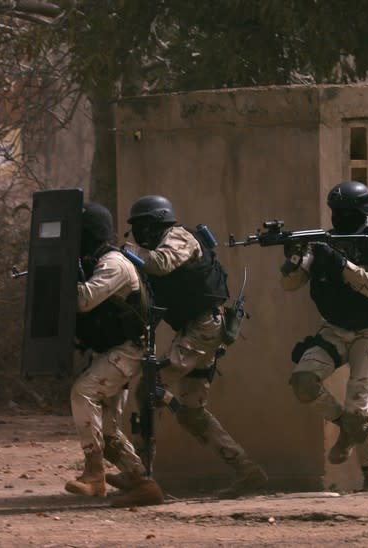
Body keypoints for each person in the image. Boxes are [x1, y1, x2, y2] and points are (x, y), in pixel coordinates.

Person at [123, 195, 268, 499]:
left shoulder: (178, 238)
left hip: (204, 329)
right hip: (198, 330)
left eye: (142, 226)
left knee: (147, 389)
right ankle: (246, 470)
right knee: (191, 413)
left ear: (156, 223)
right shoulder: (157, 248)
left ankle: (141, 477)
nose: (139, 234)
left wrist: (124, 251)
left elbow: (161, 265)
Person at [280, 181, 368, 492]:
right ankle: (344, 426)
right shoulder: (321, 244)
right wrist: (292, 259)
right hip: (335, 328)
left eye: (345, 213)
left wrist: (342, 264)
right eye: (336, 212)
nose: (338, 218)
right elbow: (290, 285)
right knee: (303, 381)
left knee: (358, 408)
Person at [64, 202, 164, 506]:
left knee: (83, 393)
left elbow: (83, 299)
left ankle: (94, 475)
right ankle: (142, 483)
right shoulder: (99, 261)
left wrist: (59, 277)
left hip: (131, 350)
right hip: (117, 349)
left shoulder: (114, 264)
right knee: (106, 429)